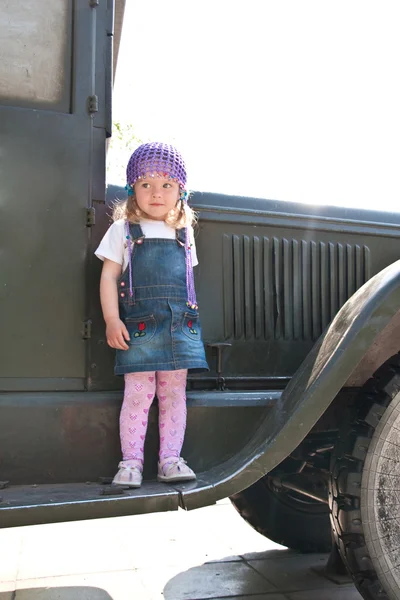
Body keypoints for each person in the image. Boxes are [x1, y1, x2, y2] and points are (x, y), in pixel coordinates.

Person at [95, 142, 209, 488]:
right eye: (146, 184)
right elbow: (109, 276)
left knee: (174, 395)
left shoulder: (184, 234)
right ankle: (130, 462)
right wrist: (112, 319)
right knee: (138, 394)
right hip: (139, 327)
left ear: (180, 192)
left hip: (180, 326)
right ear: (132, 190)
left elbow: (187, 283)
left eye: (166, 185)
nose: (156, 193)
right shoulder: (123, 231)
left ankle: (170, 460)